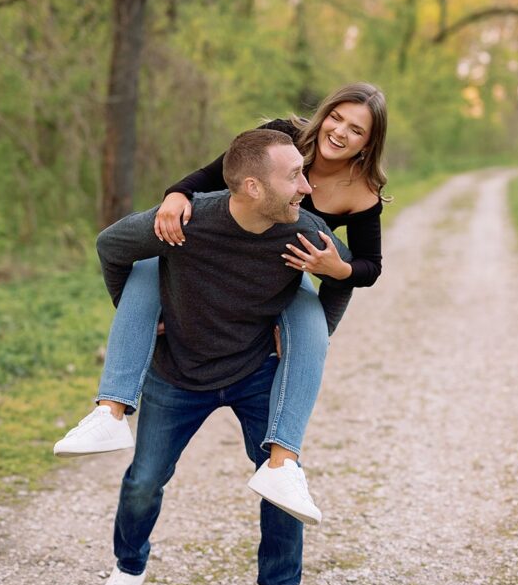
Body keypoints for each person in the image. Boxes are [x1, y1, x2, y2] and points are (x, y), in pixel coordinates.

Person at [54, 82, 387, 523]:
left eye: (357, 130)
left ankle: (284, 465)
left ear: (369, 143)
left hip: (285, 272)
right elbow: (215, 176)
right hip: (218, 255)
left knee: (311, 327)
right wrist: (176, 195)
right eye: (337, 118)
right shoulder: (282, 139)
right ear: (324, 115)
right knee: (152, 264)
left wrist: (335, 270)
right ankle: (110, 411)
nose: (341, 132)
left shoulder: (362, 192)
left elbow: (367, 268)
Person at [95, 128, 355, 585]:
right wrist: (145, 320)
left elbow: (343, 275)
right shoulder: (189, 221)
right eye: (293, 177)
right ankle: (128, 569)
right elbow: (112, 246)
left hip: (255, 372)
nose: (306, 187)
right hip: (177, 374)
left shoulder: (301, 230)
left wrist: (311, 337)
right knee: (145, 479)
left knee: (282, 481)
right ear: (253, 188)